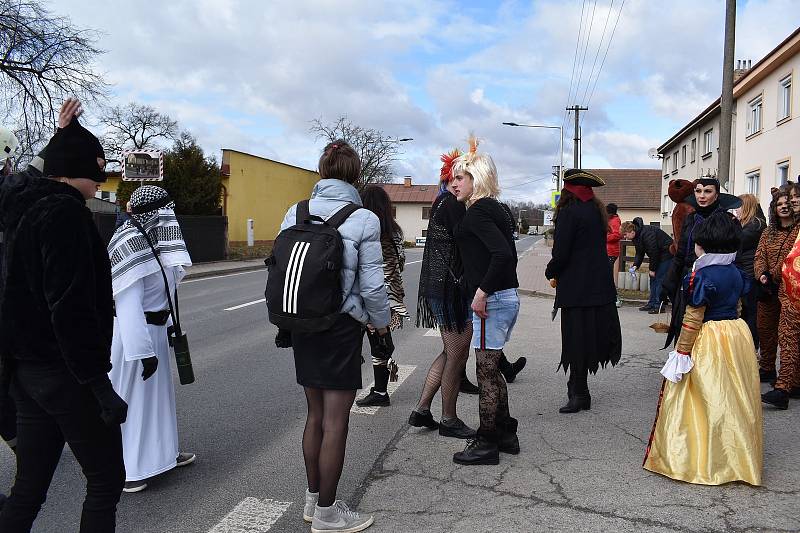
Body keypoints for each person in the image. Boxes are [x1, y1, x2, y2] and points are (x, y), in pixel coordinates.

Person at [0, 101, 127, 532]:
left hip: (25, 374)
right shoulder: (66, 214)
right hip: (66, 374)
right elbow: (69, 307)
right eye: (96, 170)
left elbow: (23, 179)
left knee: (29, 489)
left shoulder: (19, 208)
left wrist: (61, 133)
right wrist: (98, 386)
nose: (99, 180)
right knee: (107, 480)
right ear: (75, 170)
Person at [279, 140, 389, 532]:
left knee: (314, 415)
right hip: (341, 325)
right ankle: (328, 515)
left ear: (322, 172)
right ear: (356, 175)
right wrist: (381, 324)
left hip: (302, 322)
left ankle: (313, 501)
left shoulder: (296, 210)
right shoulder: (364, 219)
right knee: (337, 419)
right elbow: (373, 286)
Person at [643, 211, 762, 486]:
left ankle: (702, 458)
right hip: (735, 333)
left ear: (702, 245)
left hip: (709, 338)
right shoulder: (736, 272)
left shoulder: (701, 275)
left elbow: (693, 317)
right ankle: (736, 456)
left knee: (704, 395)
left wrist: (682, 352)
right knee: (733, 393)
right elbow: (740, 306)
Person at [107, 185, 195, 493]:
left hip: (154, 333)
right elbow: (128, 306)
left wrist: (169, 326)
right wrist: (142, 352)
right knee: (134, 405)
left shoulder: (156, 244)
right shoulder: (130, 244)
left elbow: (164, 292)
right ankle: (129, 471)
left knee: (158, 403)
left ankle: (163, 456)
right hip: (136, 341)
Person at [450, 136, 521, 466]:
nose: (453, 184)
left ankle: (487, 442)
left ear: (476, 178)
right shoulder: (496, 209)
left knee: (485, 373)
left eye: (459, 178)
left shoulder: (480, 211)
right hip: (501, 297)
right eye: (452, 178)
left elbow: (503, 255)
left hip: (491, 300)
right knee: (492, 370)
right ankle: (505, 434)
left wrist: (481, 292)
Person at [409, 149, 477, 439]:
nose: (460, 182)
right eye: (459, 177)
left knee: (452, 351)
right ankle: (448, 418)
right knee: (457, 353)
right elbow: (465, 249)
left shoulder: (442, 202)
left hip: (443, 288)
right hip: (451, 290)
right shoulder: (452, 206)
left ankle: (423, 410)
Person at [546, 169, 622, 414]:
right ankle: (580, 391)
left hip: (577, 289)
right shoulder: (595, 211)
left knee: (575, 339)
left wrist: (551, 270)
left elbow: (562, 252)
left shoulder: (569, 212)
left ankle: (579, 393)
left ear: (568, 190)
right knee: (587, 338)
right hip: (598, 287)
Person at [661, 178, 742, 348]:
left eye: (707, 191)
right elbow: (681, 252)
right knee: (685, 325)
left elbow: (736, 254)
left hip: (716, 282)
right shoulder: (691, 218)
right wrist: (669, 282)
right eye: (698, 191)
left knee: (711, 333)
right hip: (690, 278)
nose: (702, 196)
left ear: (716, 194)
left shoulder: (728, 220)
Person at [355, 185, 407, 407]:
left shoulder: (365, 232)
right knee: (381, 344)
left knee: (363, 344)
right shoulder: (395, 232)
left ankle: (379, 392)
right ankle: (381, 389)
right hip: (392, 298)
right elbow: (401, 263)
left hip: (371, 298)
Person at [758, 189, 800, 409]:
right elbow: (759, 256)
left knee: (789, 338)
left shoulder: (796, 231)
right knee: (768, 330)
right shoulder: (768, 233)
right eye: (781, 203)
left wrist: (772, 273)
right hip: (769, 290)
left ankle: (787, 385)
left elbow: (789, 259)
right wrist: (761, 274)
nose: (786, 205)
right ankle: (771, 370)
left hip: (789, 288)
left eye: (790, 202)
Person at [734, 194, 766, 353]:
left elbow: (736, 243)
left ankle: (751, 349)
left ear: (746, 207)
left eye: (739, 206)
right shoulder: (749, 224)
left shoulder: (755, 225)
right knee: (746, 313)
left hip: (750, 274)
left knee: (750, 313)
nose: (736, 210)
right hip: (746, 272)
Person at [621, 219, 673, 314]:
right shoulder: (636, 237)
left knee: (659, 279)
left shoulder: (647, 234)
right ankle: (652, 303)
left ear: (631, 231)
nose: (624, 237)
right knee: (653, 278)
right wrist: (635, 265)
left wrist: (652, 269)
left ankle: (659, 306)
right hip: (658, 256)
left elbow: (654, 252)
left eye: (625, 234)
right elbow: (639, 253)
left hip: (667, 254)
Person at [606, 203, 622, 308]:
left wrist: (604, 237)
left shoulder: (615, 221)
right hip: (608, 251)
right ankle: (610, 297)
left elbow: (617, 235)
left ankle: (615, 298)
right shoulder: (610, 220)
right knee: (606, 274)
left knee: (608, 275)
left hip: (612, 251)